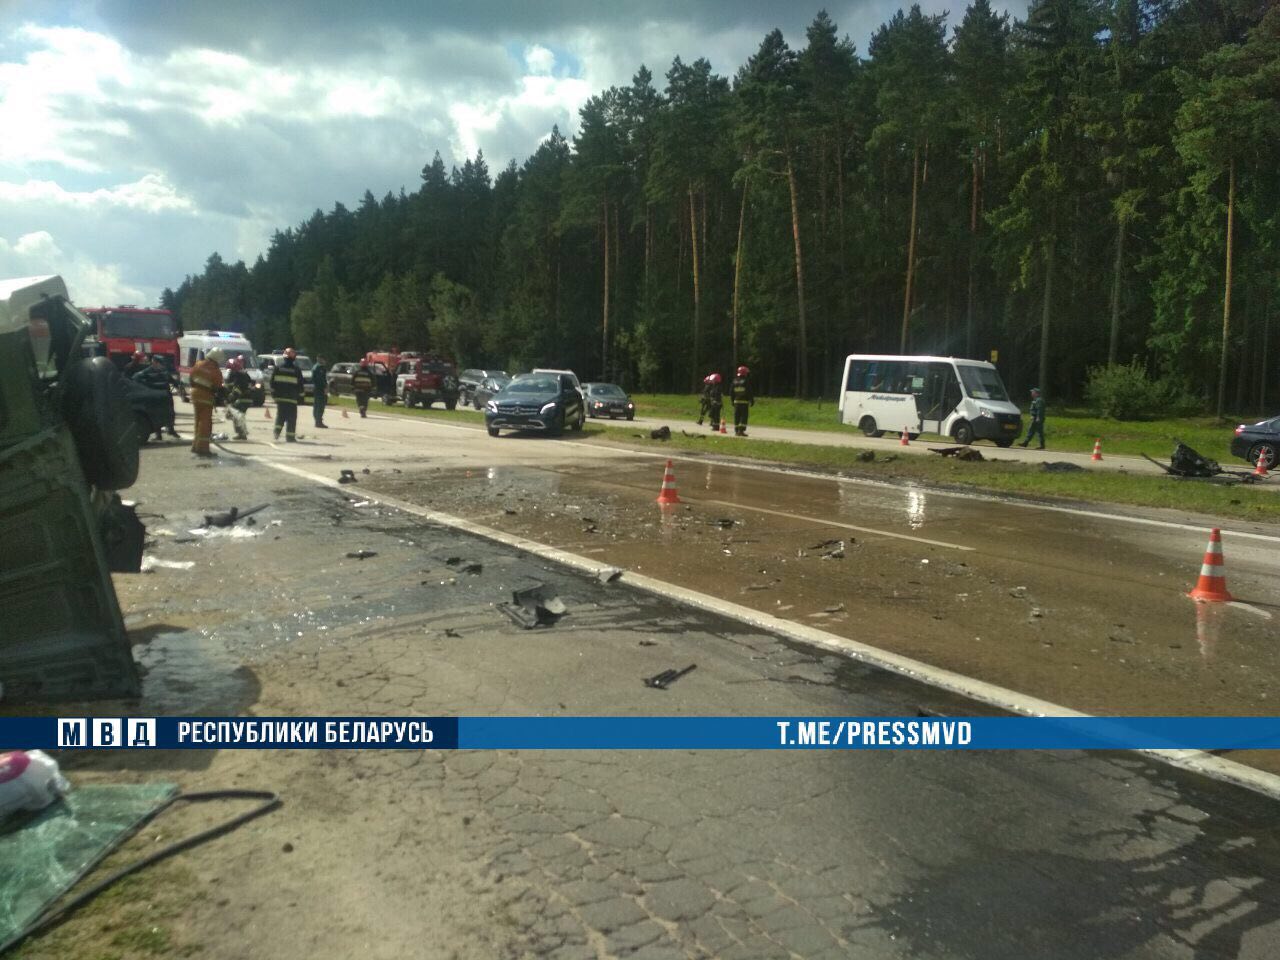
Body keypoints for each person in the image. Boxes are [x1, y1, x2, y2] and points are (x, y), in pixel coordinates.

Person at [131, 355, 181, 440]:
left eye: (162, 363)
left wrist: (177, 384)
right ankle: (158, 434)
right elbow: (135, 378)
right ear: (154, 362)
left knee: (170, 413)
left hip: (166, 395)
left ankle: (171, 430)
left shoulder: (164, 371)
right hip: (156, 396)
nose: (162, 365)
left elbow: (171, 380)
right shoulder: (147, 371)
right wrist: (146, 385)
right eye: (160, 363)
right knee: (156, 414)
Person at [189, 348, 224, 456]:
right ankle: (203, 449)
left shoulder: (198, 364)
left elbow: (191, 378)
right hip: (206, 396)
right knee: (205, 423)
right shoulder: (215, 370)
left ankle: (195, 446)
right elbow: (218, 386)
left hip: (195, 394)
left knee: (198, 421)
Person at [270, 347, 304, 441]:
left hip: (280, 398)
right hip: (292, 399)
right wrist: (301, 398)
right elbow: (300, 385)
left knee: (280, 416)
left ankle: (276, 432)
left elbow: (272, 383)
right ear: (294, 358)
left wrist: (274, 395)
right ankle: (290, 437)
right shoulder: (297, 370)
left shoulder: (278, 368)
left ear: (284, 357)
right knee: (291, 418)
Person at [224, 356, 254, 440]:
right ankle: (242, 433)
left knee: (235, 415)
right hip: (247, 399)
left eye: (230, 369)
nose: (230, 371)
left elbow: (238, 389)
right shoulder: (245, 374)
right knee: (238, 415)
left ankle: (242, 433)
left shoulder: (238, 375)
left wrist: (229, 398)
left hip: (241, 399)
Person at [730, 364, 754, 437]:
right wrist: (751, 400)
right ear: (745, 373)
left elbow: (731, 392)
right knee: (743, 417)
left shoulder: (734, 381)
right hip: (744, 402)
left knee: (737, 416)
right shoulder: (746, 381)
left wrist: (732, 401)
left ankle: (737, 430)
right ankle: (741, 431)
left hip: (736, 402)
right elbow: (749, 391)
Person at [312, 355, 329, 428]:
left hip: (316, 388)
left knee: (316, 405)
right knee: (320, 405)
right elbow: (321, 379)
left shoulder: (314, 366)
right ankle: (318, 421)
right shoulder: (320, 368)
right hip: (320, 389)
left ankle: (317, 420)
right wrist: (325, 387)